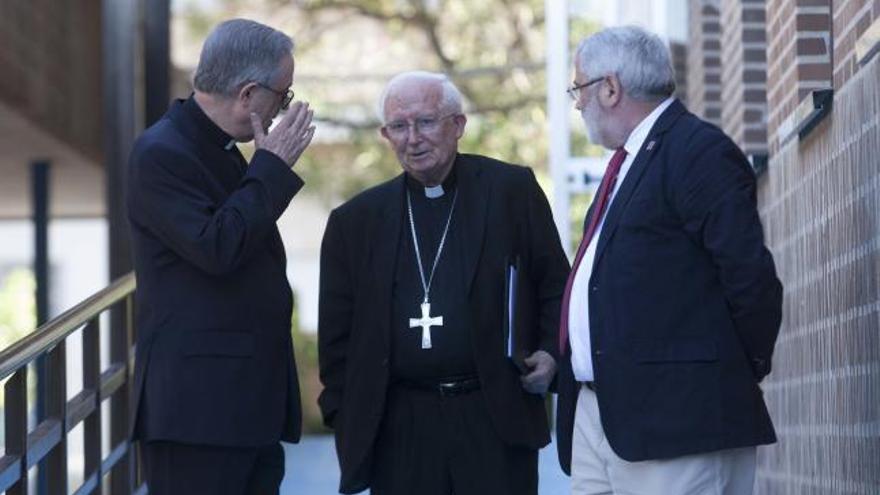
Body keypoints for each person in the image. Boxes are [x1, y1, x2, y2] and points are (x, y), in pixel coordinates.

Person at [555, 26, 784, 495]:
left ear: (610, 88)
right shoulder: (629, 162)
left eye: (579, 89)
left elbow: (749, 277)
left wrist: (727, 372)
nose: (577, 104)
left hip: (677, 419)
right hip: (601, 416)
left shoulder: (695, 150)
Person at [318, 71, 570, 495]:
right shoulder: (355, 222)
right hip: (400, 427)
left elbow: (555, 287)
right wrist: (345, 415)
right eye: (399, 126)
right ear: (385, 134)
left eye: (426, 122)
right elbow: (337, 339)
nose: (412, 138)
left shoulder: (511, 191)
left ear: (458, 125)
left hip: (492, 418)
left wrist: (550, 353)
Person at [126, 18, 315, 494]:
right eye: (282, 95)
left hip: (242, 407)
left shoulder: (223, 148)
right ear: (249, 93)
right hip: (197, 417)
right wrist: (271, 168)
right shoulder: (161, 152)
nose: (282, 109)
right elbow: (217, 247)